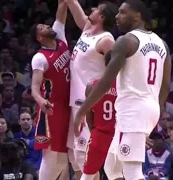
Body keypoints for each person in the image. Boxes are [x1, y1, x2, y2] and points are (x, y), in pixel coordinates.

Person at [74, 0, 172, 179]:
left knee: (132, 170)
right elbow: (165, 86)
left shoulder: (126, 41)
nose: (117, 17)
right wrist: (152, 115)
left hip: (132, 109)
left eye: (122, 12)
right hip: (147, 108)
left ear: (137, 16)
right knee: (112, 168)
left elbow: (105, 82)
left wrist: (81, 111)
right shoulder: (162, 44)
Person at [64, 0, 118, 177]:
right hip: (82, 94)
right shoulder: (88, 29)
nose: (92, 10)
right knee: (81, 154)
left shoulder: (107, 40)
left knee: (88, 153)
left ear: (101, 17)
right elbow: (75, 9)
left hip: (98, 99)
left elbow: (114, 73)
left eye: (96, 9)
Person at [30, 0, 70, 179]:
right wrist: (41, 101)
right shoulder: (39, 58)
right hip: (51, 107)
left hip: (68, 104)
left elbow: (62, 8)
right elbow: (34, 88)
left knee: (63, 155)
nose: (47, 26)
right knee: (50, 154)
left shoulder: (60, 37)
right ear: (39, 37)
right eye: (43, 28)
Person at [80, 78, 117, 180]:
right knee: (118, 174)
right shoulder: (124, 85)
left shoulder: (92, 85)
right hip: (118, 137)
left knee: (87, 175)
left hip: (99, 135)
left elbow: (89, 116)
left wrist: (94, 131)